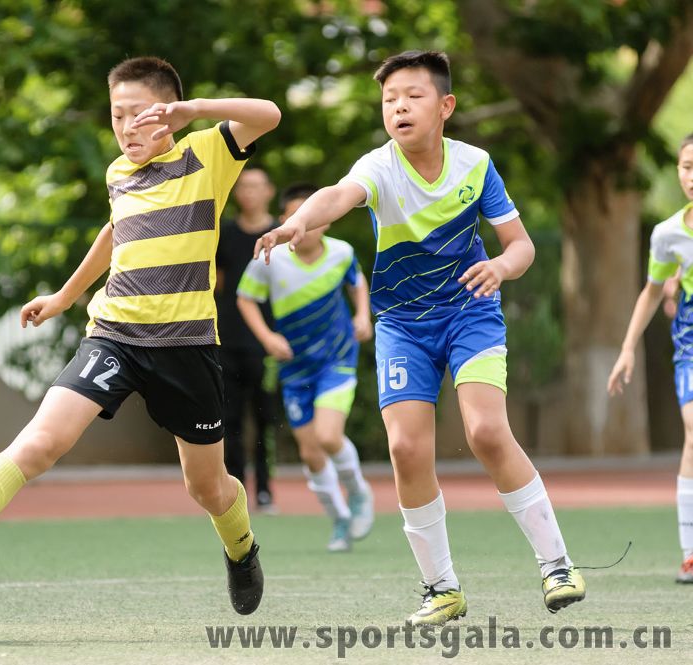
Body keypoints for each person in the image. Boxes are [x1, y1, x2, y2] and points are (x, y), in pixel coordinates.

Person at [255, 50, 584, 625]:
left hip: (470, 312)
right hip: (402, 324)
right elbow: (337, 194)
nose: (399, 107)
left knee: (486, 432)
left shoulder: (476, 165)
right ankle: (441, 588)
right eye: (389, 99)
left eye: (413, 95)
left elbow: (522, 246)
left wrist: (501, 267)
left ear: (445, 105)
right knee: (406, 449)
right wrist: (298, 222)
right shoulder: (378, 167)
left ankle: (557, 565)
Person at [0, 57, 281, 615]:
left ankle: (241, 548)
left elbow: (268, 114)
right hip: (114, 336)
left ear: (166, 113)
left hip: (187, 347)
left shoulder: (207, 153)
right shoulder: (117, 174)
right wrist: (64, 296)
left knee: (207, 488)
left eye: (137, 114)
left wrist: (194, 110)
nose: (126, 127)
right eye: (116, 115)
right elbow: (115, 230)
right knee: (41, 442)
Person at [237, 183, 375, 552]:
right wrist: (267, 337)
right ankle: (339, 519)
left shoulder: (342, 253)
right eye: (296, 217)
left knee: (328, 437)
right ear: (283, 221)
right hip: (295, 367)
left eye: (311, 216)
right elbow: (245, 298)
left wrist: (363, 315)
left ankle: (358, 492)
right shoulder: (270, 257)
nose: (305, 225)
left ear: (325, 220)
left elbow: (357, 283)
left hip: (337, 359)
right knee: (311, 452)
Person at [608, 133, 693, 584]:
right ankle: (690, 553)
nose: (692, 176)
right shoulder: (667, 234)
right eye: (686, 167)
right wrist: (627, 349)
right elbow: (652, 292)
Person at [215, 167, 280, 513]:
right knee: (231, 419)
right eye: (243, 186)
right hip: (228, 339)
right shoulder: (225, 233)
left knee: (266, 418)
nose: (249, 192)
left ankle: (266, 491)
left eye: (256, 186)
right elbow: (219, 282)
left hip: (268, 342)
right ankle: (236, 489)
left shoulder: (282, 234)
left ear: (269, 191)